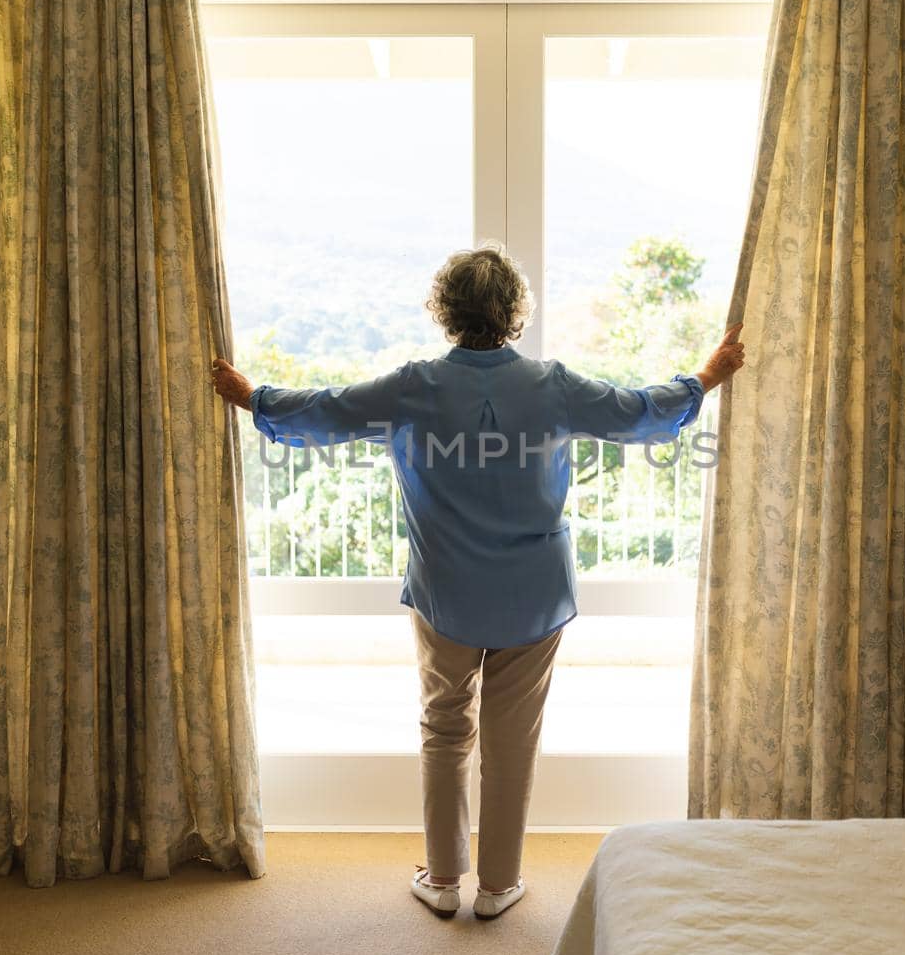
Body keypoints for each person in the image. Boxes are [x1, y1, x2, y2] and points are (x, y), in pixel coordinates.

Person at [210, 245, 745, 920]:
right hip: (535, 593)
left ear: (446, 312)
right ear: (514, 313)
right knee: (511, 740)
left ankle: (441, 879)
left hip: (447, 591)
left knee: (444, 727)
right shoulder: (552, 385)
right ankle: (497, 886)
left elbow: (328, 410)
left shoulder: (414, 385)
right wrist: (707, 376)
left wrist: (251, 397)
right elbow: (637, 411)